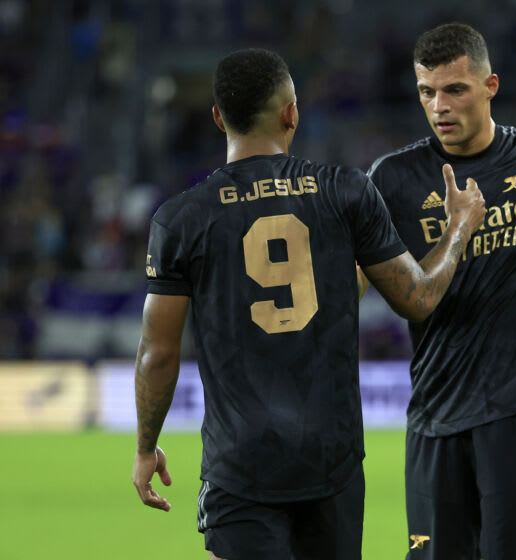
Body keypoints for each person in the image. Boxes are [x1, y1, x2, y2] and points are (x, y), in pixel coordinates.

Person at [130, 48, 486, 560]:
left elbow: (157, 354)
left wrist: (146, 447)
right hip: (332, 461)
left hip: (241, 464)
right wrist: (459, 228)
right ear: (292, 112)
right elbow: (419, 298)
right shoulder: (346, 192)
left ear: (217, 118)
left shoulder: (180, 218)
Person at [366, 23, 516, 559]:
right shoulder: (393, 179)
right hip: (435, 416)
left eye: (455, 89)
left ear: (490, 85)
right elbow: (348, 291)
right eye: (427, 92)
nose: (439, 106)